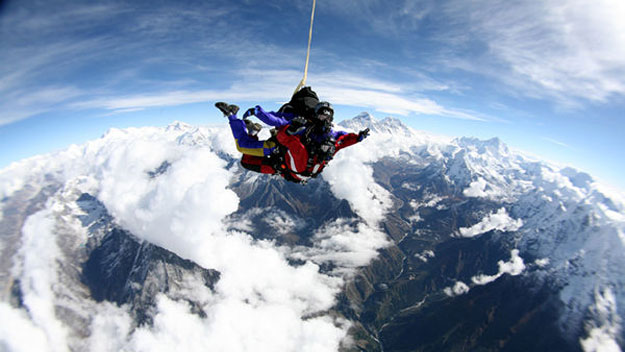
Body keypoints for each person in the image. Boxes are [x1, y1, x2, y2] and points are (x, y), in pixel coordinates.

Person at [216, 98, 370, 183]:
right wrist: (259, 112)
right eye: (322, 115)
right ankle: (232, 115)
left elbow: (344, 140)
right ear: (315, 114)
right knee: (242, 147)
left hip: (281, 162)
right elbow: (279, 122)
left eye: (327, 116)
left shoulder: (330, 136)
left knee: (246, 160)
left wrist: (358, 137)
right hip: (277, 152)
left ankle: (252, 131)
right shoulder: (304, 126)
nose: (324, 118)